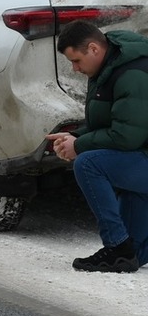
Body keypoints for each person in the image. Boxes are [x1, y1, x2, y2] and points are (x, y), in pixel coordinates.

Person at [45, 20, 148, 273]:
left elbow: (126, 137)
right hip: (140, 158)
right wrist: (73, 137)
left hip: (140, 153)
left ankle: (115, 245)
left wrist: (79, 145)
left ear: (93, 48)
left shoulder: (131, 73)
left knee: (88, 164)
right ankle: (124, 250)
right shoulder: (108, 66)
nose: (75, 68)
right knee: (134, 256)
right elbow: (112, 123)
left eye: (76, 61)